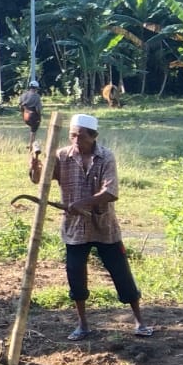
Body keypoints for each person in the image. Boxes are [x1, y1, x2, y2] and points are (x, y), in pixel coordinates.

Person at [29, 114, 152, 341]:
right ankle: (83, 324)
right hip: (74, 229)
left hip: (104, 227)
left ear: (93, 136)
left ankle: (139, 321)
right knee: (75, 275)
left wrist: (82, 203)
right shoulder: (62, 156)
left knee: (121, 273)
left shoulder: (106, 157)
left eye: (81, 136)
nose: (76, 140)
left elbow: (111, 192)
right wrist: (35, 167)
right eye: (72, 135)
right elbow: (39, 180)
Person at [18, 80, 42, 146]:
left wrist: (23, 114)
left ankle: (31, 143)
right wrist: (39, 117)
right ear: (36, 88)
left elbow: (20, 106)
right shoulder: (37, 96)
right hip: (32, 115)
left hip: (25, 115)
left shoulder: (23, 95)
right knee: (34, 129)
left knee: (31, 127)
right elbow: (38, 109)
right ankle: (31, 144)